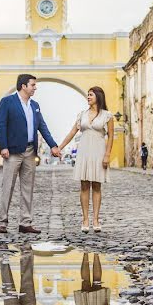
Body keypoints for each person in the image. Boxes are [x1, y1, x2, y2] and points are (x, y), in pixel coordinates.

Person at [0, 73, 60, 234]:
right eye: (33, 85)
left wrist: (53, 145)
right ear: (23, 86)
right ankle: (2, 222)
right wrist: (3, 146)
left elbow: (42, 126)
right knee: (7, 186)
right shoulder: (7, 102)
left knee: (28, 187)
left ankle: (25, 222)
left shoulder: (35, 105)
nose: (35, 88)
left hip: (30, 151)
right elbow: (1, 125)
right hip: (12, 151)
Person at [57, 86, 114, 233]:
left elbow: (111, 137)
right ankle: (85, 219)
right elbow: (72, 132)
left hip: (99, 152)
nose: (88, 97)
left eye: (91, 95)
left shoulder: (107, 115)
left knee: (96, 186)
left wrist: (107, 155)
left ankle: (95, 219)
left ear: (98, 97)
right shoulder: (82, 114)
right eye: (88, 95)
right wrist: (60, 147)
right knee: (84, 186)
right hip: (84, 152)